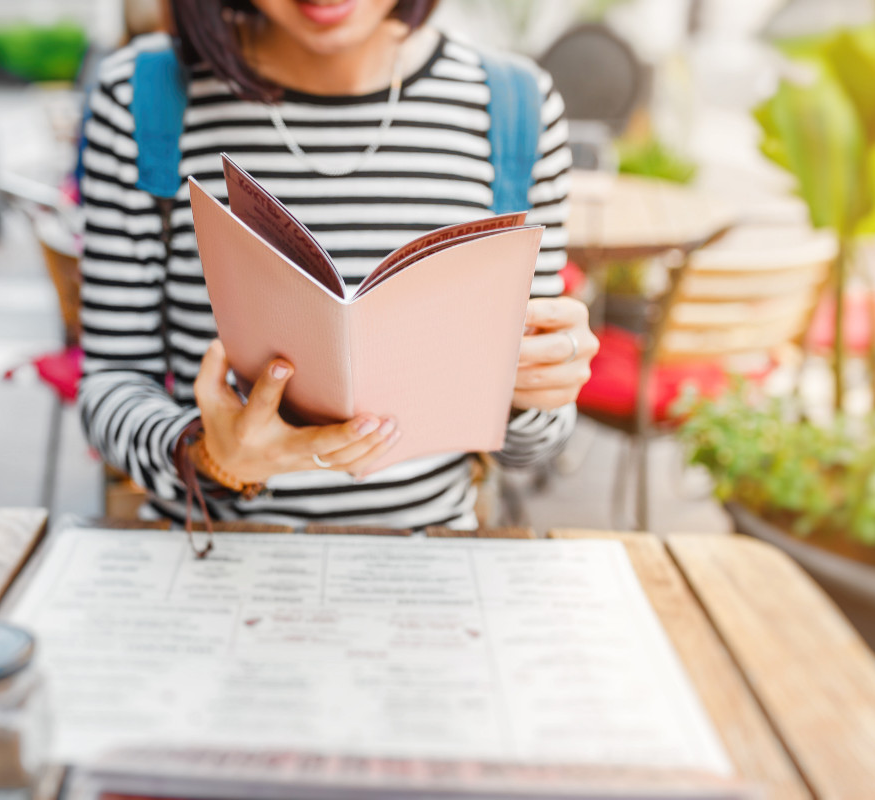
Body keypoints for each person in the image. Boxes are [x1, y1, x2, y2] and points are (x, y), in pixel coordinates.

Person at [79, 0, 599, 529]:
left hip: (422, 564)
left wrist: (532, 390)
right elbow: (112, 382)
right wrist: (207, 456)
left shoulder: (515, 108)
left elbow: (533, 446)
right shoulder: (142, 99)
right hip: (210, 556)